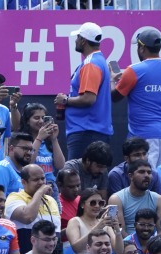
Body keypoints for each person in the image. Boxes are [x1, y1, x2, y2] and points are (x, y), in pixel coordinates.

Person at [56, 23, 112, 156]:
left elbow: (88, 98)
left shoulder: (91, 64)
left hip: (85, 132)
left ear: (83, 41)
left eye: (78, 37)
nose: (75, 40)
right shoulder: (98, 61)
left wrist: (65, 100)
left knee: (76, 175)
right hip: (91, 131)